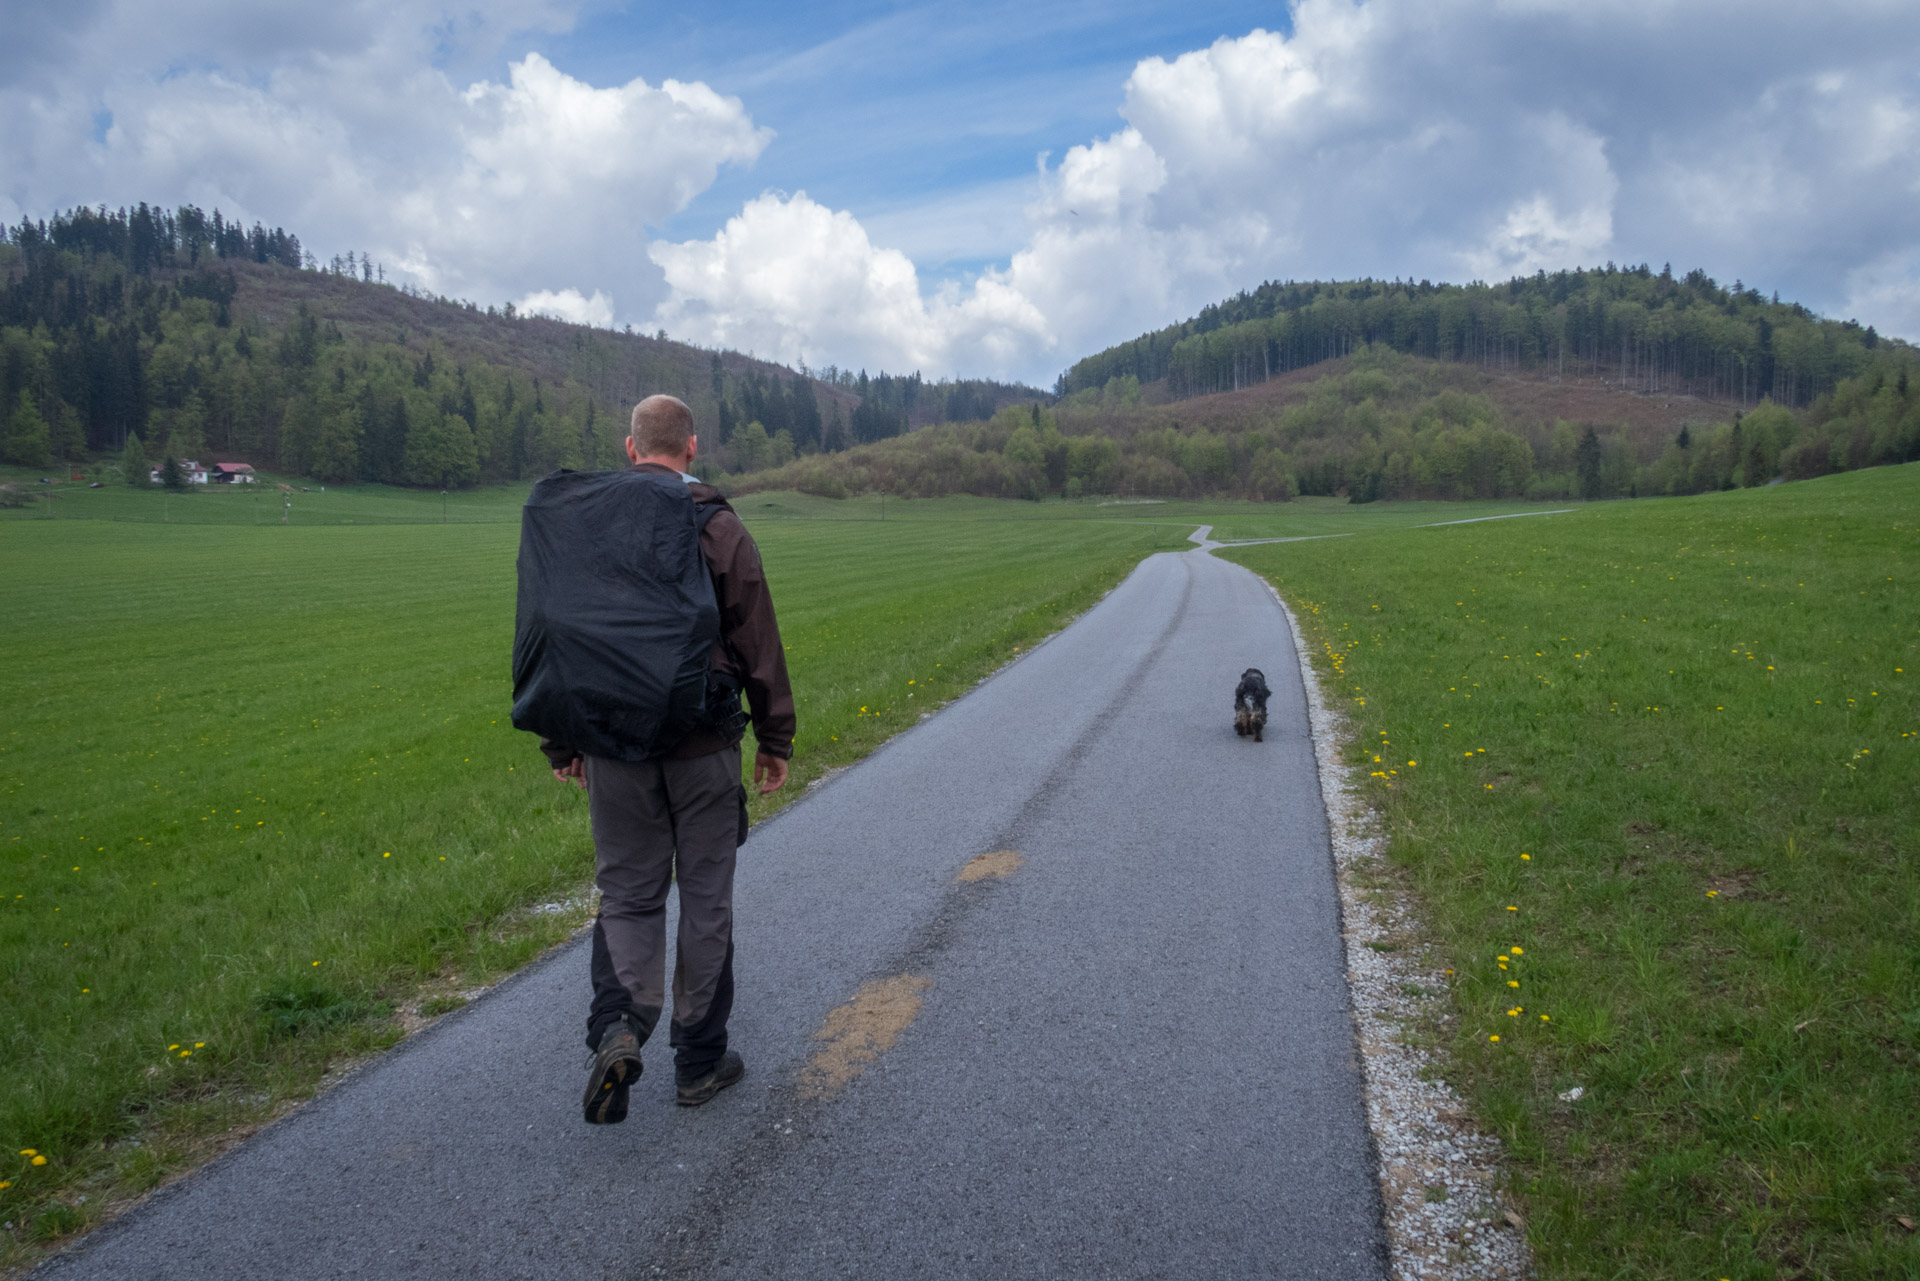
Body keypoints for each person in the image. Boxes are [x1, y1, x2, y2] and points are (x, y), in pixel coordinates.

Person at [538, 394, 795, 1121]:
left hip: (613, 742)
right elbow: (756, 638)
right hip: (702, 742)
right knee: (706, 897)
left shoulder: (589, 525)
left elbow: (556, 631)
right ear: (690, 446)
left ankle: (618, 1027)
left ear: (629, 448)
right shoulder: (717, 524)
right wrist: (775, 738)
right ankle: (700, 1062)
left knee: (628, 891)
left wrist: (563, 737)